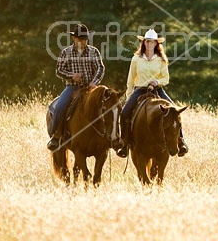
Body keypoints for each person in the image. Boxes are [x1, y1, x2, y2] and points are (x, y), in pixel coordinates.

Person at [116, 29, 188, 158]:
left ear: (156, 44)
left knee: (174, 112)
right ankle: (125, 143)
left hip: (157, 89)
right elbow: (130, 79)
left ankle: (181, 141)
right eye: (147, 41)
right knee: (125, 112)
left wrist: (157, 81)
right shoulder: (136, 59)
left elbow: (166, 79)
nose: (149, 44)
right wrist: (129, 95)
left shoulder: (161, 60)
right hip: (140, 90)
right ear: (143, 43)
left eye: (152, 42)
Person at [47, 23, 106, 151]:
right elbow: (59, 71)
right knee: (60, 107)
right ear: (74, 38)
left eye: (85, 39)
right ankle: (56, 136)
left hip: (91, 88)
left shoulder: (93, 51)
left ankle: (111, 137)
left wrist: (94, 82)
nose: (83, 41)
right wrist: (71, 76)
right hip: (72, 88)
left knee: (109, 105)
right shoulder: (66, 52)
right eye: (80, 39)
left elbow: (100, 68)